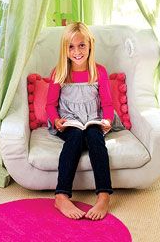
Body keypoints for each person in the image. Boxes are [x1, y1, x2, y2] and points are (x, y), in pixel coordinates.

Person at [46, 22, 114, 221]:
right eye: (71, 47)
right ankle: (61, 195)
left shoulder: (99, 71)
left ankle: (103, 196)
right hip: (69, 122)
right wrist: (56, 120)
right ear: (65, 50)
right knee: (75, 136)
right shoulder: (59, 72)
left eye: (82, 45)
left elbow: (108, 104)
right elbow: (50, 105)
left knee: (94, 135)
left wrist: (107, 120)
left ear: (90, 45)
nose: (77, 51)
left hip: (93, 119)